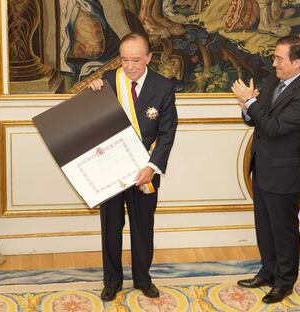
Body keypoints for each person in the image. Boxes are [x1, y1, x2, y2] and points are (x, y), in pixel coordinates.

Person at [89, 33, 178, 301]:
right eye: (124, 60)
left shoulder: (163, 87)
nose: (129, 66)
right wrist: (91, 93)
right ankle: (112, 281)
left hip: (144, 173)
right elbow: (91, 124)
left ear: (149, 58)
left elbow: (167, 133)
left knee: (143, 228)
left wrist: (151, 167)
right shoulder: (107, 82)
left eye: (136, 60)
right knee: (110, 227)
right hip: (112, 173)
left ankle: (143, 278)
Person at [231, 35, 300, 304]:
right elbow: (258, 120)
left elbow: (273, 128)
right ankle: (267, 272)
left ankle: (284, 282)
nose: (274, 63)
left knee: (284, 231)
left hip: (286, 174)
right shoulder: (273, 81)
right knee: (265, 227)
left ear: (297, 62)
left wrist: (252, 103)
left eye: (279, 58)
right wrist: (247, 107)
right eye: (274, 57)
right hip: (263, 167)